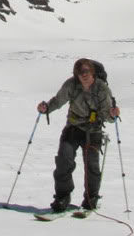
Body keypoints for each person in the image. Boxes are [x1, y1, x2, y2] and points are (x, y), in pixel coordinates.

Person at [37, 58, 120, 212]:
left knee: (91, 166)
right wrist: (46, 108)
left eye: (86, 71)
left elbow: (107, 115)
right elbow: (58, 101)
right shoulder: (71, 85)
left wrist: (112, 114)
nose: (83, 75)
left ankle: (91, 198)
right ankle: (62, 197)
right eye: (80, 72)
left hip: (93, 131)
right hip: (73, 128)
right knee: (63, 161)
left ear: (92, 72)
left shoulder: (101, 89)